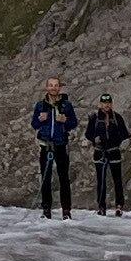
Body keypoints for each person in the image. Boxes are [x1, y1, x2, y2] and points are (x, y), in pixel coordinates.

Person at [31, 74, 80, 217]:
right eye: (51, 85)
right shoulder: (40, 106)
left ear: (59, 88)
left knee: (64, 178)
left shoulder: (66, 105)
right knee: (45, 178)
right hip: (45, 145)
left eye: (56, 85)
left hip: (60, 145)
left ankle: (66, 210)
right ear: (47, 87)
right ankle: (46, 209)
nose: (53, 88)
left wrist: (65, 120)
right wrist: (40, 120)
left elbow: (74, 123)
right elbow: (34, 124)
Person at [88, 91, 131, 214]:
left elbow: (124, 133)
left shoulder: (117, 118)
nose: (106, 105)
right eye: (104, 103)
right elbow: (88, 133)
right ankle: (101, 206)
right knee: (101, 180)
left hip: (114, 151)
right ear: (100, 104)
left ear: (111, 104)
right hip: (100, 151)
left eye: (108, 103)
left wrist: (116, 140)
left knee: (117, 179)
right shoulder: (94, 118)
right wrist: (94, 139)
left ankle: (119, 205)